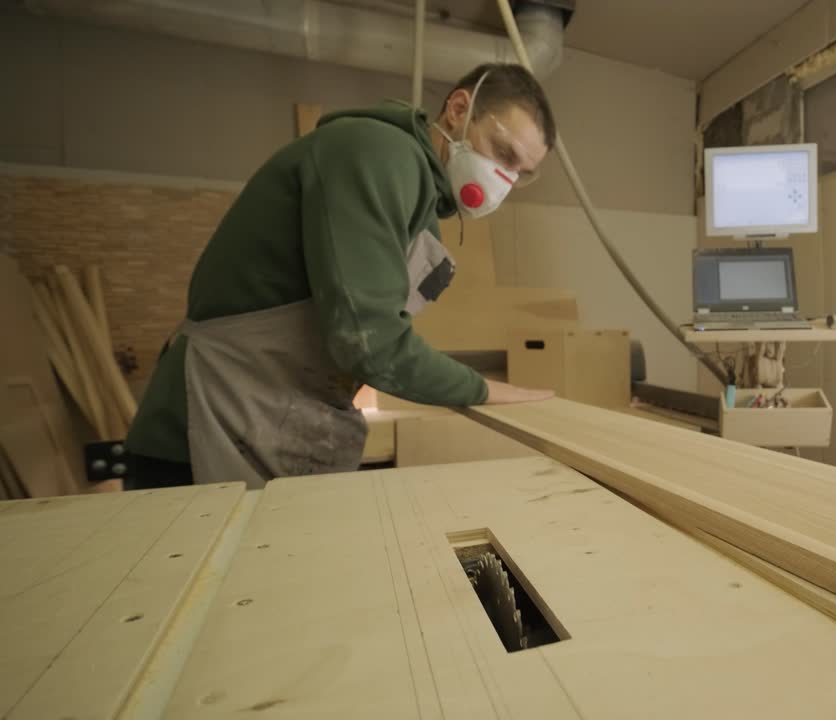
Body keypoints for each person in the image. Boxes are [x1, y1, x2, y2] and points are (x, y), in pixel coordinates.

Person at [125, 63, 557, 490]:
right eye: (503, 152)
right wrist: (479, 388)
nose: (504, 178)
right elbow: (370, 340)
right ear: (458, 109)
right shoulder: (376, 152)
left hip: (256, 415)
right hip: (201, 429)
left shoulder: (420, 198)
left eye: (520, 172)